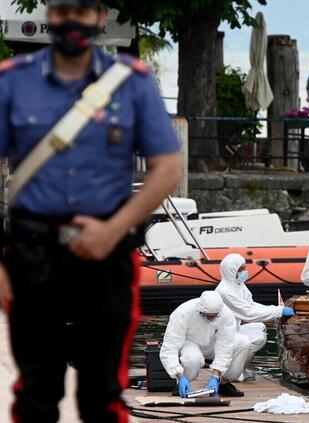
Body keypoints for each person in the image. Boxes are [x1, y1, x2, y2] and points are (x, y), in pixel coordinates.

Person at [0, 1, 182, 422]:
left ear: (100, 17)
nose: (71, 22)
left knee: (102, 392)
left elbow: (168, 169)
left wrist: (112, 229)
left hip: (107, 254)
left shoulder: (131, 83)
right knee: (35, 392)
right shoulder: (13, 82)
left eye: (82, 11)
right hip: (33, 254)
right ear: (50, 16)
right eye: (62, 11)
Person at [215, 253, 295, 379]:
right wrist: (279, 311)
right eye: (241, 269)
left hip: (232, 330)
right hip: (221, 337)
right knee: (256, 337)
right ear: (232, 270)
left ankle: (241, 368)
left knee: (259, 328)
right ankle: (233, 372)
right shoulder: (225, 291)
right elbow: (249, 313)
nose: (245, 272)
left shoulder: (237, 285)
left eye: (244, 268)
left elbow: (250, 305)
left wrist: (275, 309)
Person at [160, 291, 251, 398]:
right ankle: (183, 383)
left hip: (212, 343)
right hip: (189, 342)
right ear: (200, 310)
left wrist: (216, 376)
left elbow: (225, 345)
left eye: (214, 316)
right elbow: (170, 347)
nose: (211, 318)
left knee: (244, 343)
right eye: (208, 316)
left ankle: (223, 383)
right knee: (193, 359)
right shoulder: (182, 312)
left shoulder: (226, 314)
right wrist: (178, 374)